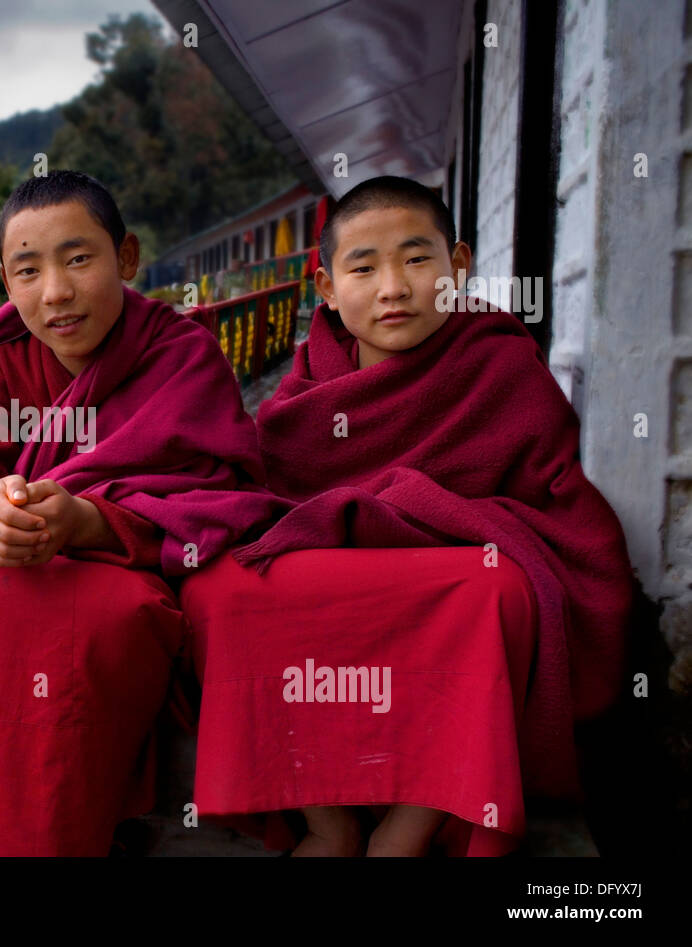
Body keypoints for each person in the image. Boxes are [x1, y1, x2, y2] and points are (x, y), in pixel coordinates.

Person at [0, 170, 287, 856]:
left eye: (77, 259)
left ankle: (63, 831)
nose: (56, 293)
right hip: (12, 563)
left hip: (122, 570)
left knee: (101, 620)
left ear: (125, 259)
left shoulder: (180, 356)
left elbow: (222, 497)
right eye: (28, 271)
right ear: (7, 285)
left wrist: (87, 520)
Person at [180, 175, 634, 856]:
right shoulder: (311, 387)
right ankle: (325, 818)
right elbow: (263, 501)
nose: (393, 286)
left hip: (446, 576)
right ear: (327, 287)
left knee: (500, 590)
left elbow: (560, 513)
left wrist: (423, 510)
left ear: (457, 265)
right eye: (363, 267)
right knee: (219, 588)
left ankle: (414, 819)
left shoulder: (499, 365)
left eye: (417, 260)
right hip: (341, 575)